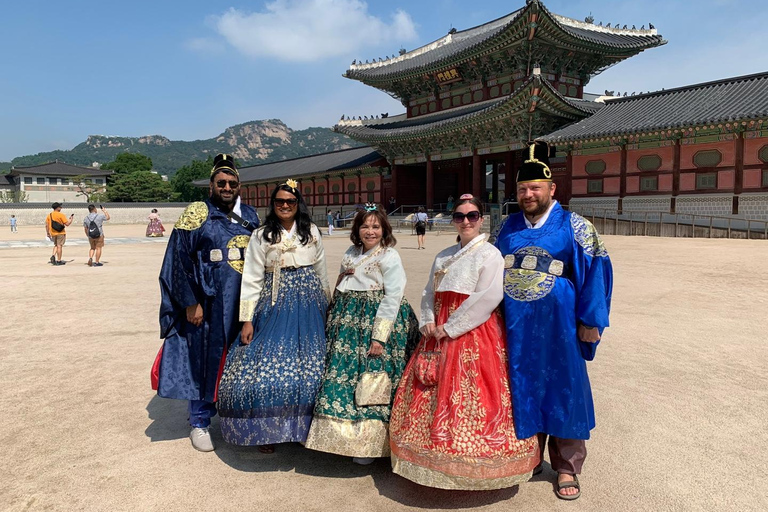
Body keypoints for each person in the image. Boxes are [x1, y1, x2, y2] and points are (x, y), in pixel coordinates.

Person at [389, 194, 539, 490]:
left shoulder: (490, 254)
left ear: (481, 219)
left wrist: (453, 327)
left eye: (472, 216)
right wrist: (428, 319)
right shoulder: (443, 254)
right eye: (459, 216)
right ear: (453, 220)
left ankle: (474, 464)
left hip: (473, 331)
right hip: (438, 329)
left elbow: (489, 297)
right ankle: (427, 458)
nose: (466, 221)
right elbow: (428, 291)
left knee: (473, 393)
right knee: (430, 384)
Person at [493, 143, 613, 501]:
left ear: (551, 190)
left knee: (564, 386)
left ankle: (566, 465)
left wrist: (591, 320)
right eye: (522, 190)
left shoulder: (576, 225)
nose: (528, 195)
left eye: (535, 189)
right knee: (520, 384)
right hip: (514, 324)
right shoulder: (507, 227)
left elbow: (597, 272)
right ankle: (527, 456)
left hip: (560, 325)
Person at [155, 153, 260, 452]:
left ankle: (235, 416)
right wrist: (190, 302)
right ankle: (199, 420)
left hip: (244, 302)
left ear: (240, 186)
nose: (227, 188)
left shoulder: (251, 216)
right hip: (209, 303)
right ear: (211, 185)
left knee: (241, 359)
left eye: (232, 183)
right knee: (202, 358)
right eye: (221, 182)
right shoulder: (196, 212)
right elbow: (177, 260)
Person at [217, 179, 331, 453]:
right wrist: (246, 319)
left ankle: (304, 428)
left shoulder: (311, 231)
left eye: (290, 202)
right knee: (267, 361)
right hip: (274, 300)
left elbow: (321, 270)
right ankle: (266, 429)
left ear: (297, 204)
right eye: (279, 201)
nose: (284, 206)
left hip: (309, 300)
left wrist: (327, 306)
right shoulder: (261, 235)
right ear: (273, 204)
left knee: (310, 364)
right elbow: (252, 277)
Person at [305, 205, 419, 465]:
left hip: (376, 319)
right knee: (344, 375)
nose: (370, 231)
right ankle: (341, 436)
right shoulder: (350, 253)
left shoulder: (389, 256)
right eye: (365, 226)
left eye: (376, 226)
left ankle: (370, 442)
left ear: (384, 230)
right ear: (357, 229)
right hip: (346, 321)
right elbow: (340, 282)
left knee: (373, 379)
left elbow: (393, 296)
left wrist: (379, 336)